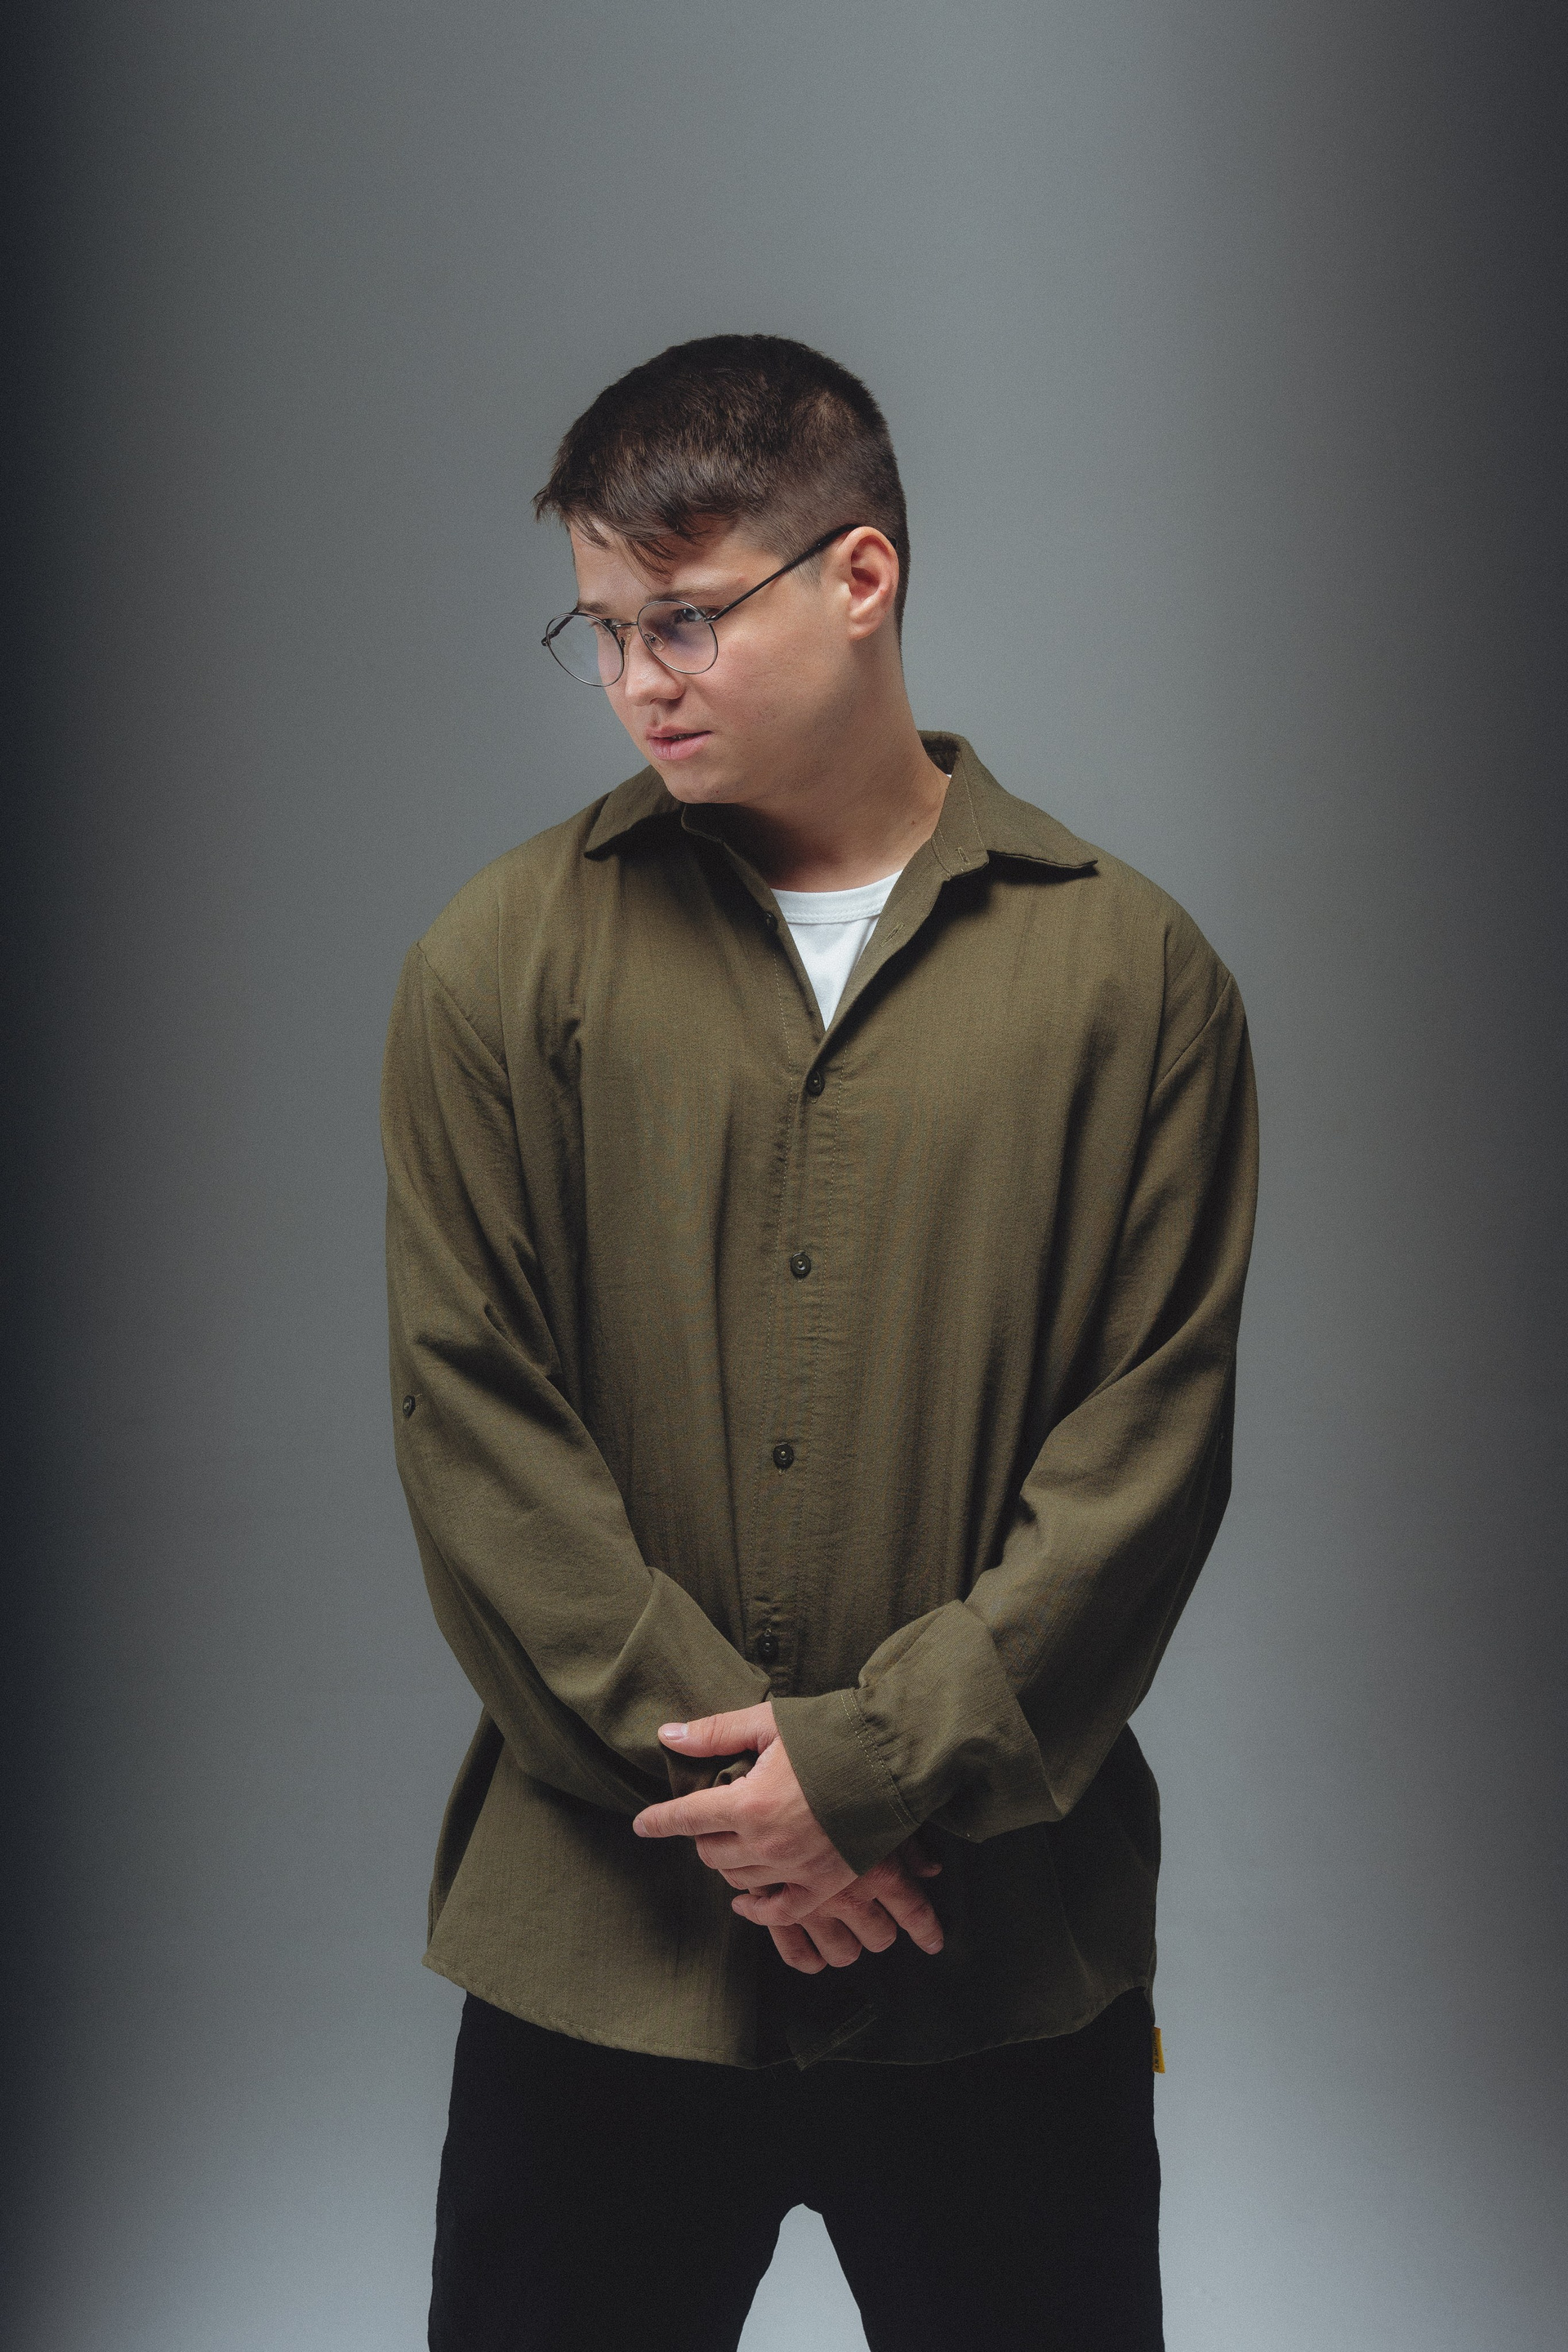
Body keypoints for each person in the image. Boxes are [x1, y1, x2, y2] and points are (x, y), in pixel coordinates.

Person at [381, 333, 1258, 2352]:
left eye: (684, 617)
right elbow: (475, 1434)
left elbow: (1144, 1463)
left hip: (995, 1960)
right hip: (601, 1953)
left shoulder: (1135, 983)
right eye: (601, 631)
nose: (639, 680)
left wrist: (869, 1776)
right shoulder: (497, 966)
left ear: (861, 575)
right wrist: (772, 1809)